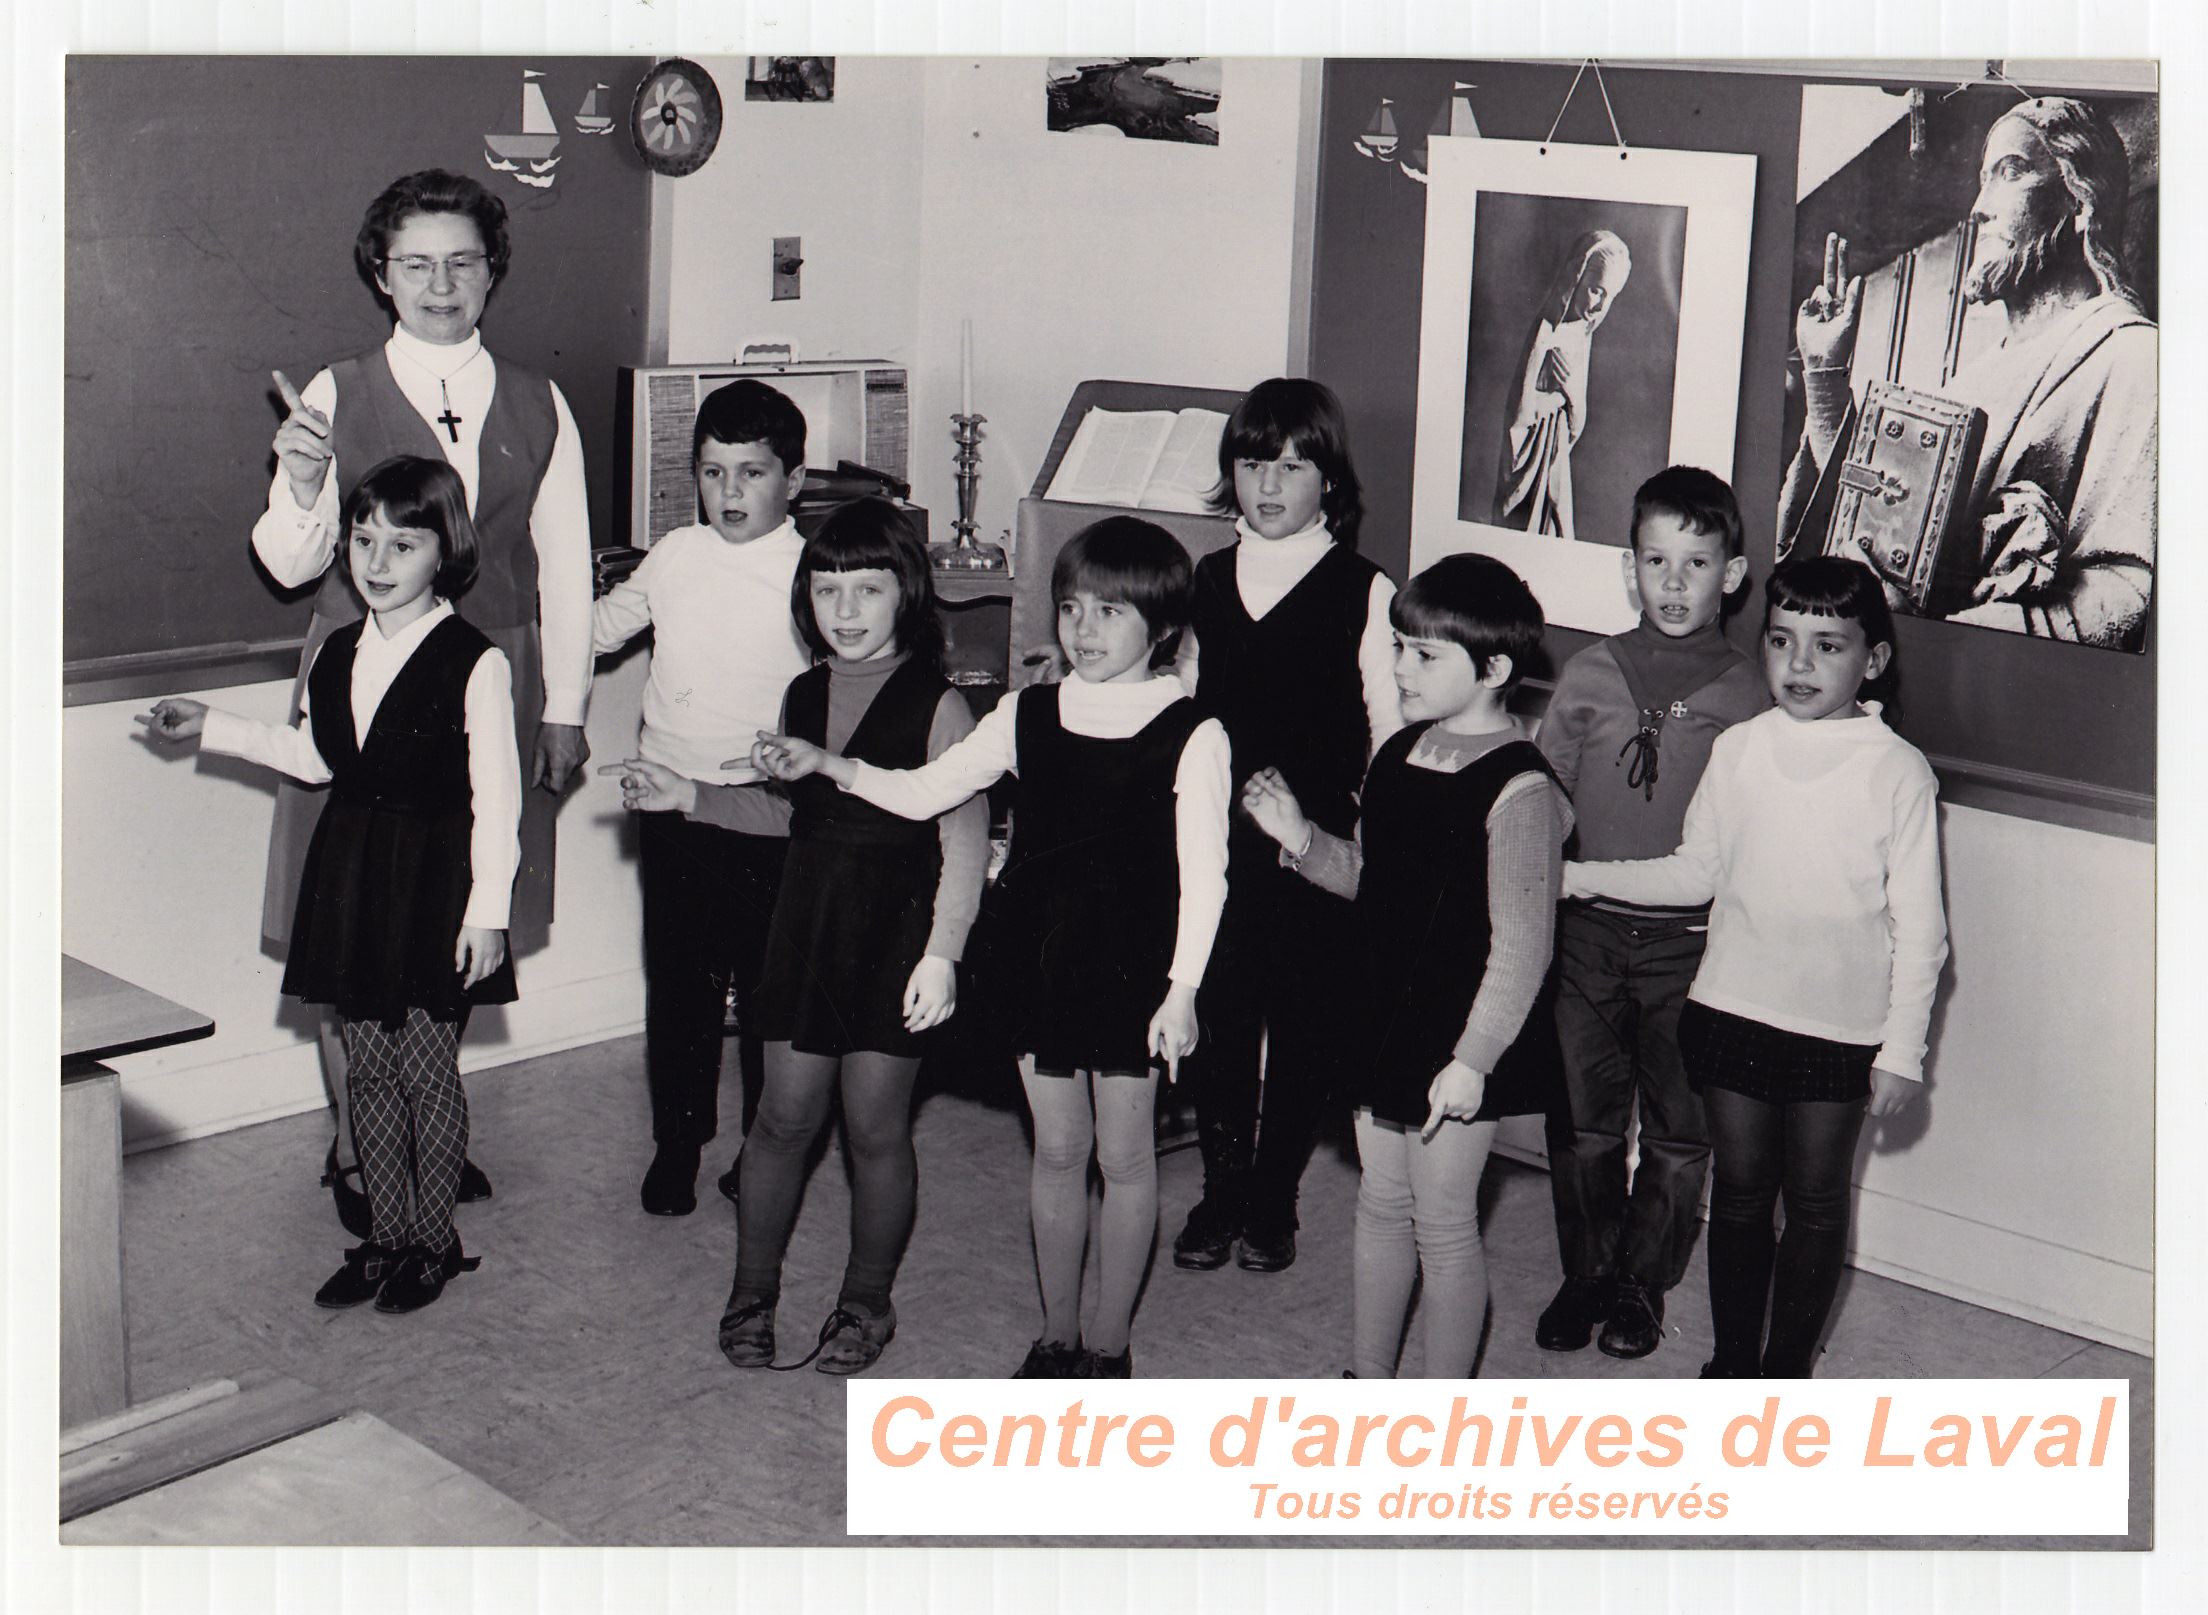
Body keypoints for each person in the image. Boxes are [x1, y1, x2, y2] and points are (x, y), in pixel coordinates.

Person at [753, 517, 1230, 1379]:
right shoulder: (1026, 711)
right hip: (1038, 955)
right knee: (1055, 1149)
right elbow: (926, 791)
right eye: (1072, 608)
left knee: (1123, 1159)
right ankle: (1055, 1333)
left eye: (1111, 613)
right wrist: (830, 764)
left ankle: (1109, 1343)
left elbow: (1208, 877)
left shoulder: (1194, 730)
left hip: (1136, 967)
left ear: (1160, 627)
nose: (1084, 631)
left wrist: (1183, 988)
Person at [253, 169, 592, 1226]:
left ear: (492, 273)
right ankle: (360, 1153)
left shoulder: (540, 400)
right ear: (380, 276)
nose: (441, 283)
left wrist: (566, 707)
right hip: (359, 687)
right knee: (348, 918)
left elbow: (566, 567)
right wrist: (304, 483)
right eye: (416, 263)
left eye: (463, 261)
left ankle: (421, 1128)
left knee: (454, 914)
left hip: (489, 682)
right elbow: (284, 560)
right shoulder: (332, 390)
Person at [605, 500, 988, 1375]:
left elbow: (963, 839)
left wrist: (943, 953)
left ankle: (865, 1301)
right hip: (808, 921)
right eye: (826, 591)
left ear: (908, 594)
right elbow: (791, 813)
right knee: (779, 1118)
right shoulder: (804, 691)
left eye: (866, 590)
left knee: (873, 1127)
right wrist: (686, 795)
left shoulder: (941, 708)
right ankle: (751, 1292)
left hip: (900, 933)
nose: (844, 610)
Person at [143, 457, 520, 1314]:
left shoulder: (474, 659)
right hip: (352, 874)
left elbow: (497, 799)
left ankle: (435, 1240)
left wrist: (487, 912)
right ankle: (386, 1237)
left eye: (403, 542)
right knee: (368, 1071)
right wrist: (215, 725)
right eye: (362, 539)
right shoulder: (340, 648)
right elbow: (313, 759)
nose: (377, 561)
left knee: (428, 1069)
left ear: (444, 550)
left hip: (434, 882)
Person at [1565, 556, 1948, 1378]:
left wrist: (1903, 1051)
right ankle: (1734, 1366)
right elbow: (1695, 872)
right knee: (1739, 1196)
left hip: (1837, 1031)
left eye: (1828, 645)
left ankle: (1785, 1372)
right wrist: (1579, 878)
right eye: (1781, 640)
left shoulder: (1897, 770)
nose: (1799, 665)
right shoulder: (1739, 749)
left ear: (1872, 659)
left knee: (1812, 1202)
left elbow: (1923, 931)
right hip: (1733, 1010)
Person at [1242, 553, 1570, 1379]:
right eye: (1397, 648)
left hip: (1461, 1034)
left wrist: (1474, 1061)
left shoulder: (1520, 788)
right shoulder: (1397, 756)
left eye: (1425, 655)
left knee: (1444, 1223)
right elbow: (1370, 879)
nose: (1399, 669)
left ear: (1494, 669)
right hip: (1383, 1014)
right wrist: (1302, 840)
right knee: (1380, 1203)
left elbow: (1523, 944)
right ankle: (1367, 1380)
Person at [1532, 467, 1767, 1363]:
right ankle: (1587, 1270)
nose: (1674, 583)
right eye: (1656, 561)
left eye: (1696, 562)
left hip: (1693, 943)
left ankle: (1641, 1281)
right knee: (1586, 1118)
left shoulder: (1750, 691)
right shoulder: (1590, 672)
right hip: (1587, 931)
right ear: (1629, 568)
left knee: (1678, 1125)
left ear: (1732, 575)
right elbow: (1542, 796)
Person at [1779, 97, 2156, 649]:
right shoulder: (1969, 383)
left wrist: (1932, 640)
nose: (1979, 207)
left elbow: (2122, 598)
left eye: (2011, 171)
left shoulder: (2130, 359)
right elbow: (1871, 529)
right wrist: (1825, 375)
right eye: (1984, 180)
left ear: (2080, 201)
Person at [1171, 377, 1401, 1277]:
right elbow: (1185, 707)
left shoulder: (1365, 589)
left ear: (1328, 481)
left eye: (1293, 466)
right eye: (1253, 463)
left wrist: (1356, 849)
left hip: (1314, 844)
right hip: (1218, 839)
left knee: (1303, 1021)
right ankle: (1221, 1184)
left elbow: (1389, 735)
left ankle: (1275, 1193)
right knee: (1220, 1013)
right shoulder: (1207, 579)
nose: (1270, 485)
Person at [593, 379, 811, 1216]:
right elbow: (604, 629)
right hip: (671, 801)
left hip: (768, 811)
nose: (729, 494)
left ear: (792, 480)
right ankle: (677, 1142)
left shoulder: (811, 572)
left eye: (750, 474)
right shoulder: (677, 553)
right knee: (680, 984)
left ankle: (761, 1148)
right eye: (713, 473)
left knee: (766, 993)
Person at [1493, 230, 1634, 542]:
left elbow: (1575, 425)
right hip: (1530, 459)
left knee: (1556, 530)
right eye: (1596, 290)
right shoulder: (1545, 332)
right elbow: (1518, 415)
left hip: (1556, 458)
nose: (1600, 305)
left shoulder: (1582, 335)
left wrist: (1569, 393)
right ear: (1576, 279)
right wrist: (1552, 401)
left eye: (1609, 296)